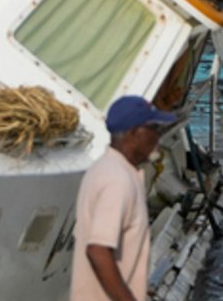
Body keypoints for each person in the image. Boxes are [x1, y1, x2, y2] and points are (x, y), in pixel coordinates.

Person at [70, 95, 175, 301]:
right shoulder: (117, 180)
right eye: (154, 129)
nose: (158, 137)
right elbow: (98, 250)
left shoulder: (104, 168)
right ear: (135, 133)